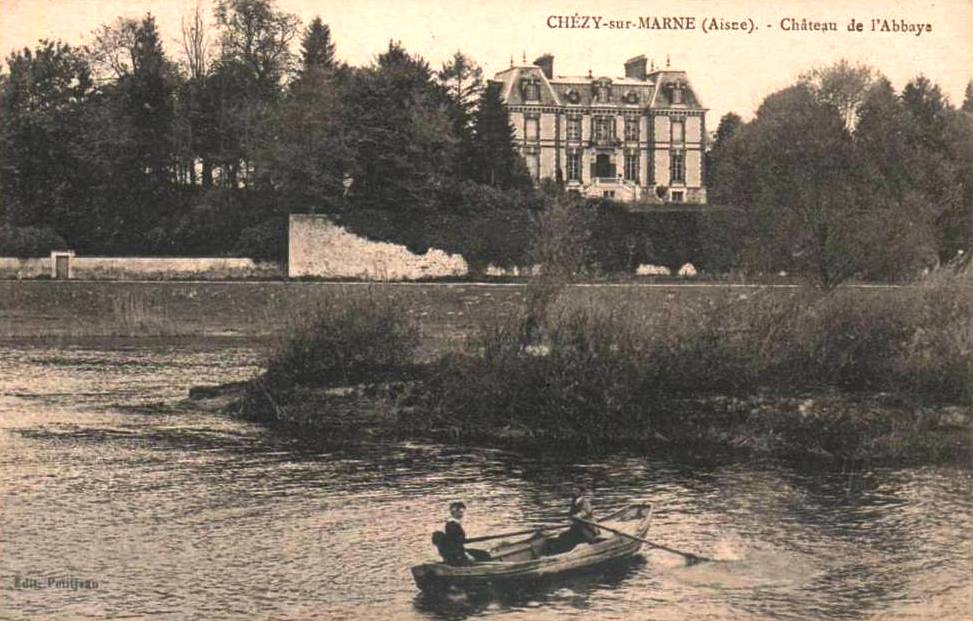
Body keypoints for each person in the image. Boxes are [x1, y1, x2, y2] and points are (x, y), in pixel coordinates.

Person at [546, 483, 600, 555]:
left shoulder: (585, 502)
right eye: (573, 491)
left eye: (576, 491)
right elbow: (570, 514)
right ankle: (558, 552)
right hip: (577, 526)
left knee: (589, 539)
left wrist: (578, 516)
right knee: (562, 536)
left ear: (582, 492)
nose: (574, 492)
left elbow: (585, 511)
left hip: (587, 526)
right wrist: (570, 520)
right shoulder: (574, 501)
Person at [435, 501, 491, 566]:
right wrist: (467, 555)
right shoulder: (452, 525)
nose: (461, 514)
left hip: (457, 551)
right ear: (454, 512)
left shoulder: (452, 524)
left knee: (482, 553)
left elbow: (458, 541)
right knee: (484, 554)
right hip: (456, 554)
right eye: (460, 512)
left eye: (462, 512)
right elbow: (455, 544)